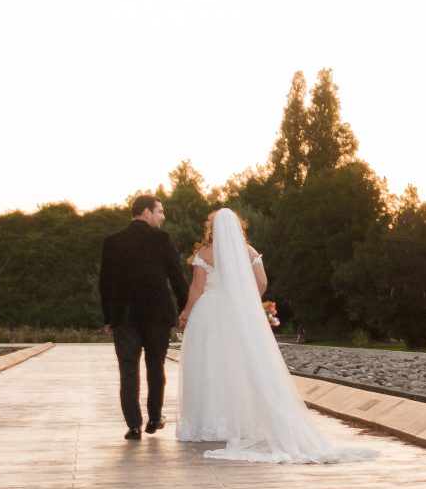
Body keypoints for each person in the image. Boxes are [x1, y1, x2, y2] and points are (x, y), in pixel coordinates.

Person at [176, 207, 372, 464]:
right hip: (238, 316)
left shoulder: (204, 254)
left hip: (209, 315)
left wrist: (186, 313)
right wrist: (245, 301)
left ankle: (209, 424)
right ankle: (241, 422)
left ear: (212, 228)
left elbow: (197, 288)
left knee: (208, 366)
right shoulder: (249, 252)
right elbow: (262, 282)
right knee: (242, 366)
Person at [97, 193, 191, 439]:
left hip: (124, 317)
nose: (162, 216)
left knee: (128, 370)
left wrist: (108, 317)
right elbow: (177, 277)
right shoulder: (161, 239)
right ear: (146, 212)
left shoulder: (112, 241)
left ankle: (134, 425)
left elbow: (105, 284)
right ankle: (154, 418)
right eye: (160, 211)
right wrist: (186, 308)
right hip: (156, 315)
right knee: (155, 367)